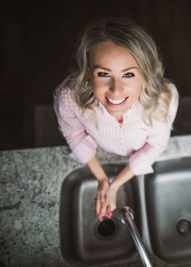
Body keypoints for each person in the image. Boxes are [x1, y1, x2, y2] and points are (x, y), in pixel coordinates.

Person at [53, 17, 179, 222]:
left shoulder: (163, 100)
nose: (116, 90)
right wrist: (102, 179)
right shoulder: (69, 99)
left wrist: (115, 184)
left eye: (128, 75)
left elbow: (155, 146)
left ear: (145, 75)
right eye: (103, 73)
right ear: (87, 74)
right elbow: (73, 134)